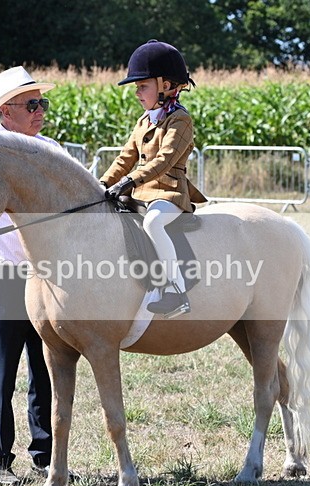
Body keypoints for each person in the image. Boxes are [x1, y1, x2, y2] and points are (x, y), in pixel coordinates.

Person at [0, 66, 58, 485]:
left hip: (44, 275)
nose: (39, 110)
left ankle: (45, 456)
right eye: (31, 104)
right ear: (6, 111)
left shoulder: (52, 151)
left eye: (41, 102)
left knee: (45, 370)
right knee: (0, 371)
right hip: (2, 275)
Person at [100, 40, 207, 318]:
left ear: (167, 86)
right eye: (137, 87)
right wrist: (102, 183)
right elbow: (124, 158)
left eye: (143, 86)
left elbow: (164, 161)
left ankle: (176, 290)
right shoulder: (144, 121)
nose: (137, 93)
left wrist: (130, 181)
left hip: (169, 194)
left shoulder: (180, 120)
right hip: (140, 192)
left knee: (153, 222)